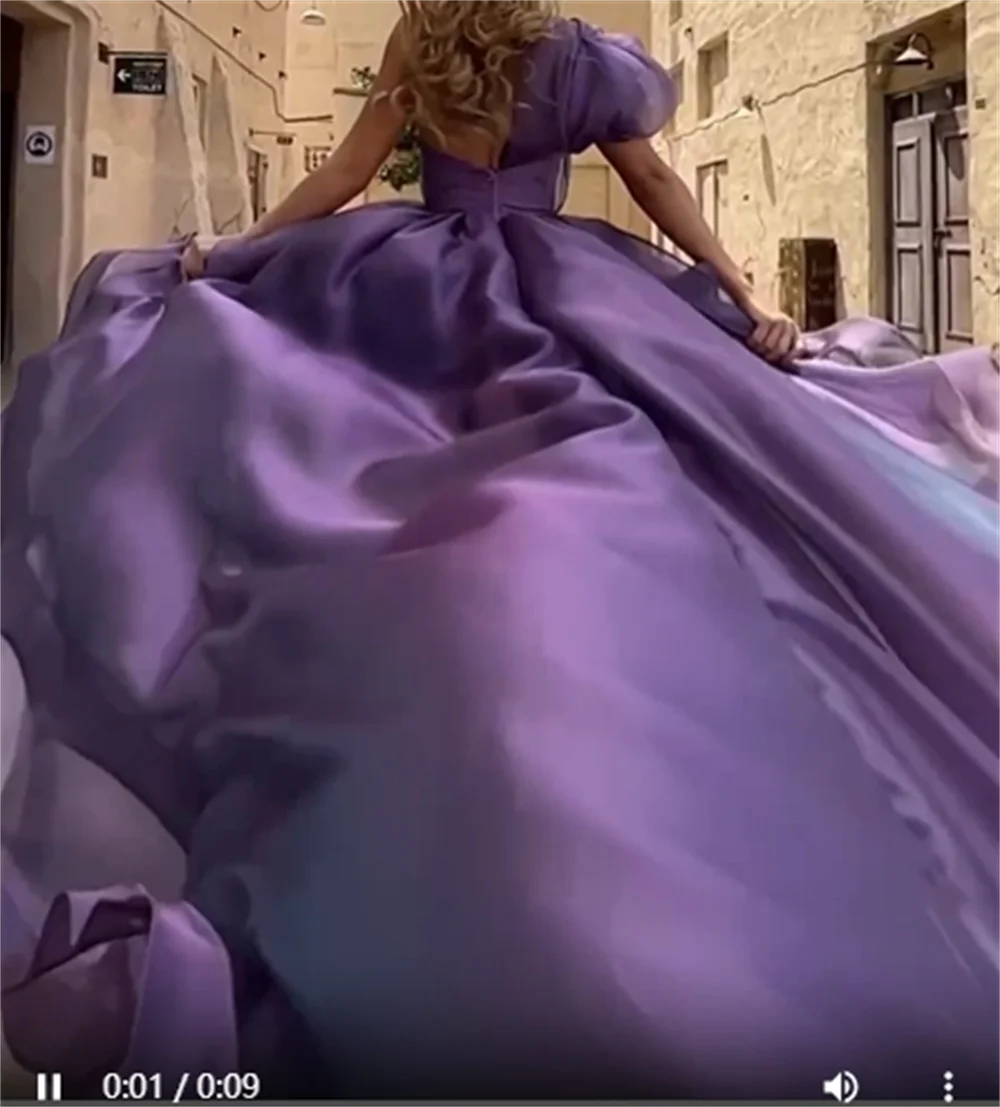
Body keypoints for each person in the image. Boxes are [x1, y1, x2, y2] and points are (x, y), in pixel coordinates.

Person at [1, 0, 998, 1098]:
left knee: (384, 443)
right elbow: (654, 183)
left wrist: (240, 253)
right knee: (667, 452)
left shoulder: (420, 37)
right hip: (558, 278)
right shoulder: (569, 54)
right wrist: (737, 289)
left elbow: (347, 173)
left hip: (415, 277)